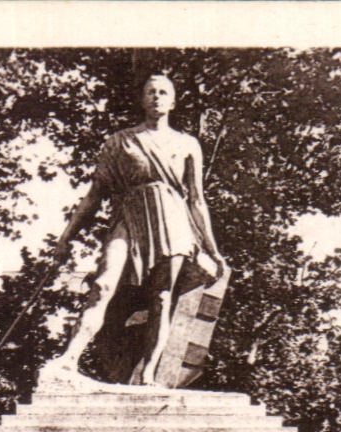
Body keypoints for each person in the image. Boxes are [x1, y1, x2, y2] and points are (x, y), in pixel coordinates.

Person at [38, 72, 225, 388]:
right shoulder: (119, 141)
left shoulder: (187, 144)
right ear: (141, 99)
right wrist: (66, 237)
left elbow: (196, 200)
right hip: (130, 215)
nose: (156, 97)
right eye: (150, 91)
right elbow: (94, 195)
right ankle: (69, 358)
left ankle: (149, 375)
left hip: (174, 221)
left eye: (163, 92)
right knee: (103, 285)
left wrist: (212, 249)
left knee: (163, 298)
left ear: (173, 101)